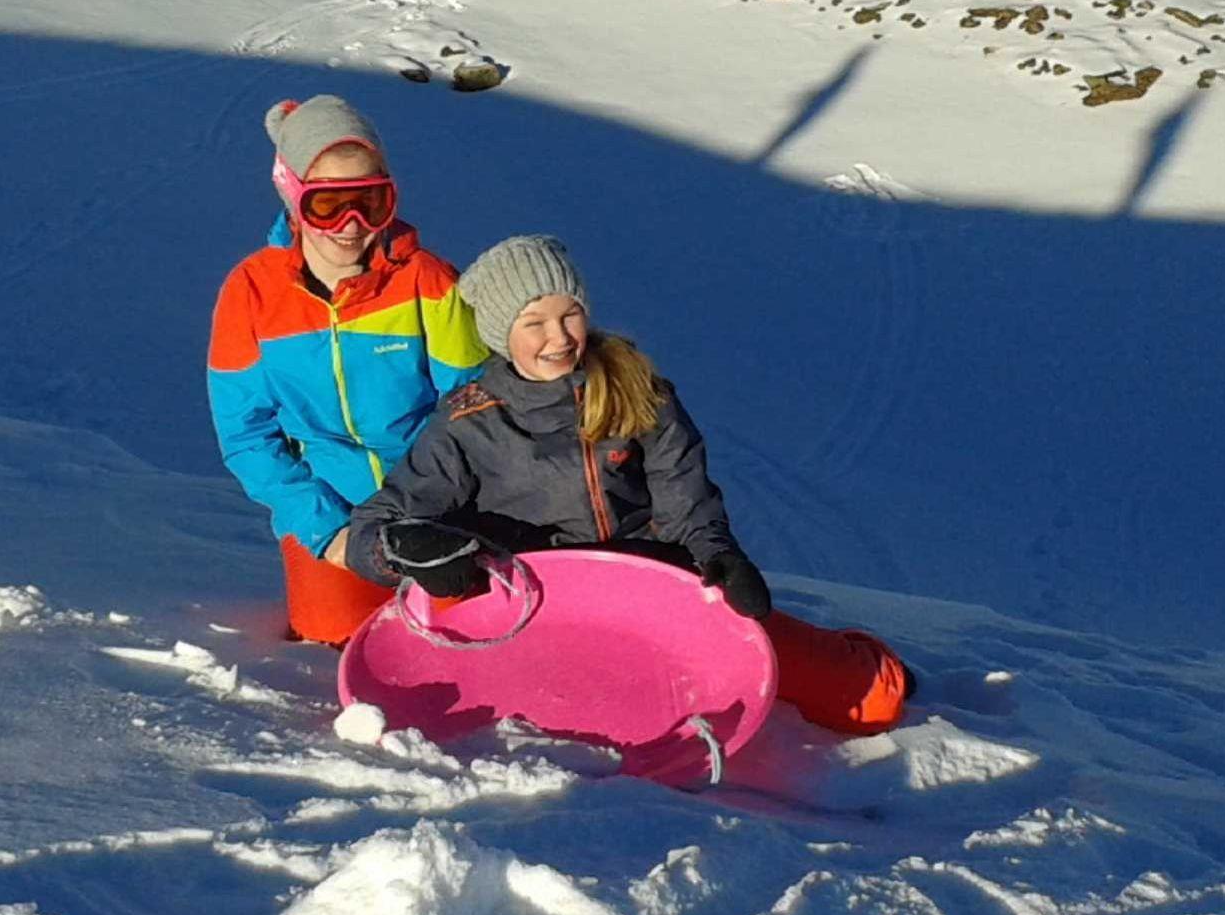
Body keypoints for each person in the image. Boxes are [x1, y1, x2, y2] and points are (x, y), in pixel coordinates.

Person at [346, 234, 914, 734]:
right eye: (533, 323)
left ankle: (867, 662)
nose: (558, 337)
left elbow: (686, 501)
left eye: (570, 314)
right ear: (500, 333)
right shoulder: (471, 421)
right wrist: (407, 548)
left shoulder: (635, 388)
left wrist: (719, 556)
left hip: (655, 590)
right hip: (535, 608)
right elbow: (378, 523)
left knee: (872, 702)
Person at [207, 95, 490, 643]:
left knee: (464, 636)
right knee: (334, 638)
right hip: (329, 504)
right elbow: (246, 437)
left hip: (434, 501)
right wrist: (326, 530)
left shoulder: (428, 281)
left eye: (370, 202)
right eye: (327, 205)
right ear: (293, 198)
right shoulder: (252, 293)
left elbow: (474, 407)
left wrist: (442, 508)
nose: (351, 225)